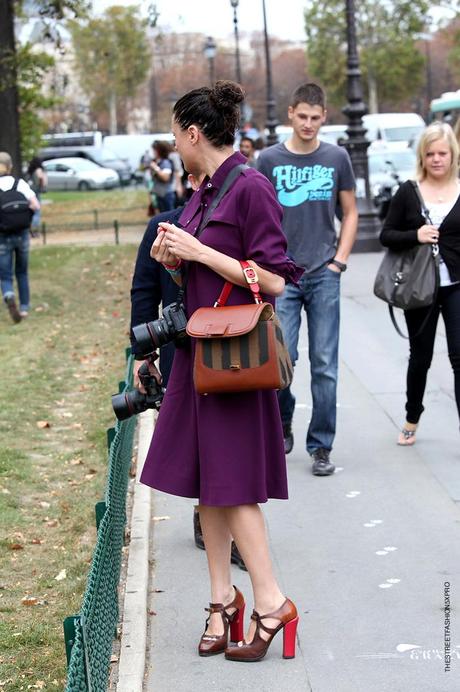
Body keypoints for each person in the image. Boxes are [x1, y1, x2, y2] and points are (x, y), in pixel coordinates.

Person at [139, 80, 303, 661]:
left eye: (174, 136)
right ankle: (221, 599)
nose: (173, 147)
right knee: (209, 487)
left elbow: (278, 280)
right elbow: (206, 277)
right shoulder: (204, 191)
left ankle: (271, 602)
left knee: (233, 488)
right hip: (198, 354)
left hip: (235, 361)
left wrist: (201, 252)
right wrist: (174, 260)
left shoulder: (250, 186)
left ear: (192, 133)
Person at [257, 83, 358, 476]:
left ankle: (321, 446)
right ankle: (283, 419)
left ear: (324, 117)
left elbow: (349, 212)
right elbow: (259, 215)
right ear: (291, 114)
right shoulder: (269, 159)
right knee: (282, 359)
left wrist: (340, 262)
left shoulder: (337, 157)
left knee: (325, 363)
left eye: (316, 118)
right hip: (283, 277)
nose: (309, 125)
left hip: (323, 274)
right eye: (302, 117)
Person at [380, 121, 460, 444]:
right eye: (431, 154)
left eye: (442, 153)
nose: (437, 159)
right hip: (419, 287)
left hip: (456, 285)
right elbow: (386, 235)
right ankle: (412, 416)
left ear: (453, 154)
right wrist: (415, 235)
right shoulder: (408, 191)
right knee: (421, 356)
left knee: (459, 358)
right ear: (422, 157)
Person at [0, 152, 40, 323]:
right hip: (22, 233)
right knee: (22, 272)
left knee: (5, 274)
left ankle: (9, 294)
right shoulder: (20, 183)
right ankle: (24, 308)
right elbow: (35, 205)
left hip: (2, 235)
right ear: (10, 167)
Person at [149, 140, 175, 213]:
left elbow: (166, 178)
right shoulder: (158, 162)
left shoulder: (165, 163)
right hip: (160, 193)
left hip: (166, 194)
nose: (153, 152)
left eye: (154, 150)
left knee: (169, 216)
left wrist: (155, 168)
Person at [27, 156, 47, 232]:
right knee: (37, 210)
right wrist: (42, 186)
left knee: (32, 210)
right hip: (36, 191)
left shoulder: (31, 170)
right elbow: (41, 178)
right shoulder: (38, 170)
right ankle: (34, 229)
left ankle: (30, 227)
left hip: (30, 192)